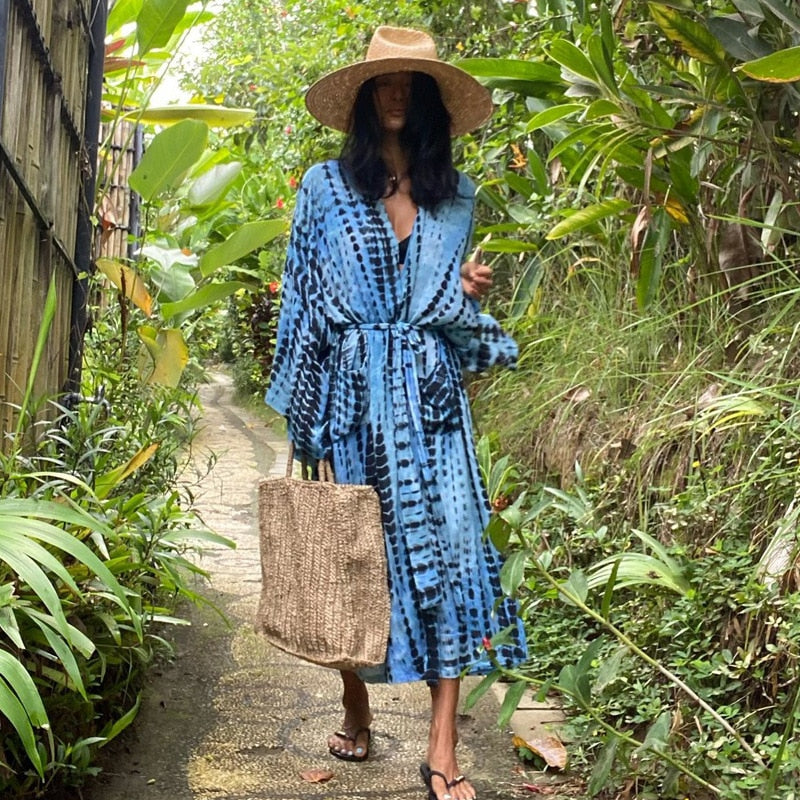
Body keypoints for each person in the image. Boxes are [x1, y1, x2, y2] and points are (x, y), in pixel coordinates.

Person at [265, 25, 528, 800]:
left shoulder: (458, 198)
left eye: (410, 84)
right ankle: (356, 703)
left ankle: (442, 749)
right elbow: (306, 310)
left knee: (452, 559)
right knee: (354, 561)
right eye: (384, 81)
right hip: (350, 396)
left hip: (433, 400)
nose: (394, 93)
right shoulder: (324, 187)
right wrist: (305, 427)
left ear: (428, 102)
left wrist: (463, 296)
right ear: (362, 96)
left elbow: (440, 309)